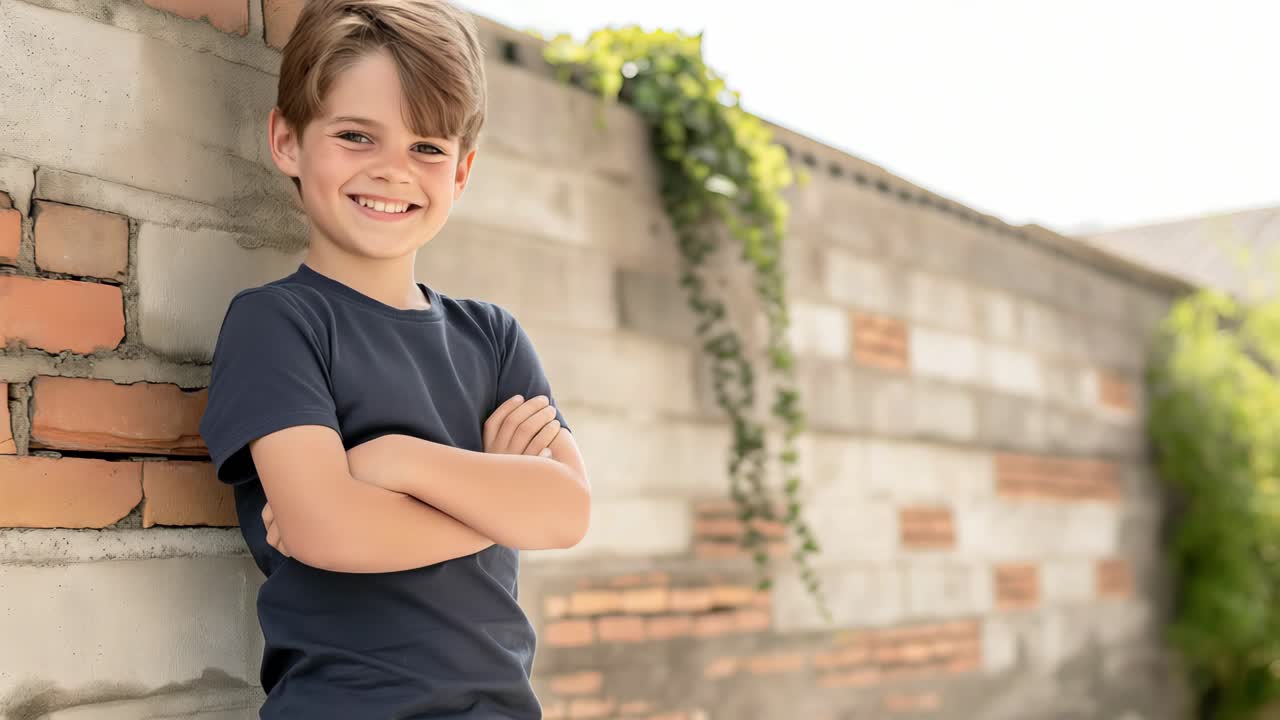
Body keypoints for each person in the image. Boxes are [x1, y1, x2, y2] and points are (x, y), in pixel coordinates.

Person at [196, 1, 592, 717]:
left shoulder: (493, 336)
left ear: (462, 172)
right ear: (287, 140)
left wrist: (395, 462)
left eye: (428, 148)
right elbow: (328, 529)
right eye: (356, 136)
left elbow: (564, 513)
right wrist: (499, 501)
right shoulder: (278, 324)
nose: (393, 172)